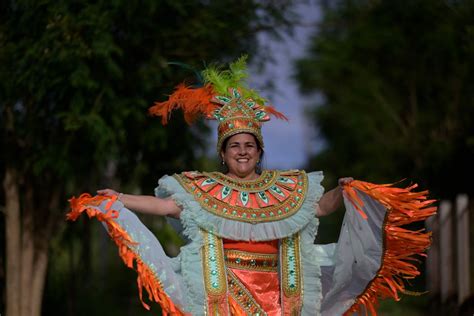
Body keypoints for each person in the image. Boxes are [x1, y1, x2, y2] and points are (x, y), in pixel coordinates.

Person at [67, 57, 436, 315]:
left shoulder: (288, 186)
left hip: (281, 296)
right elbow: (164, 206)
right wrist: (121, 199)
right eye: (234, 146)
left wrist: (344, 190)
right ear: (223, 153)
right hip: (222, 295)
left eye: (248, 145)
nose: (242, 152)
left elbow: (321, 207)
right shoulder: (202, 188)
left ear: (259, 151)